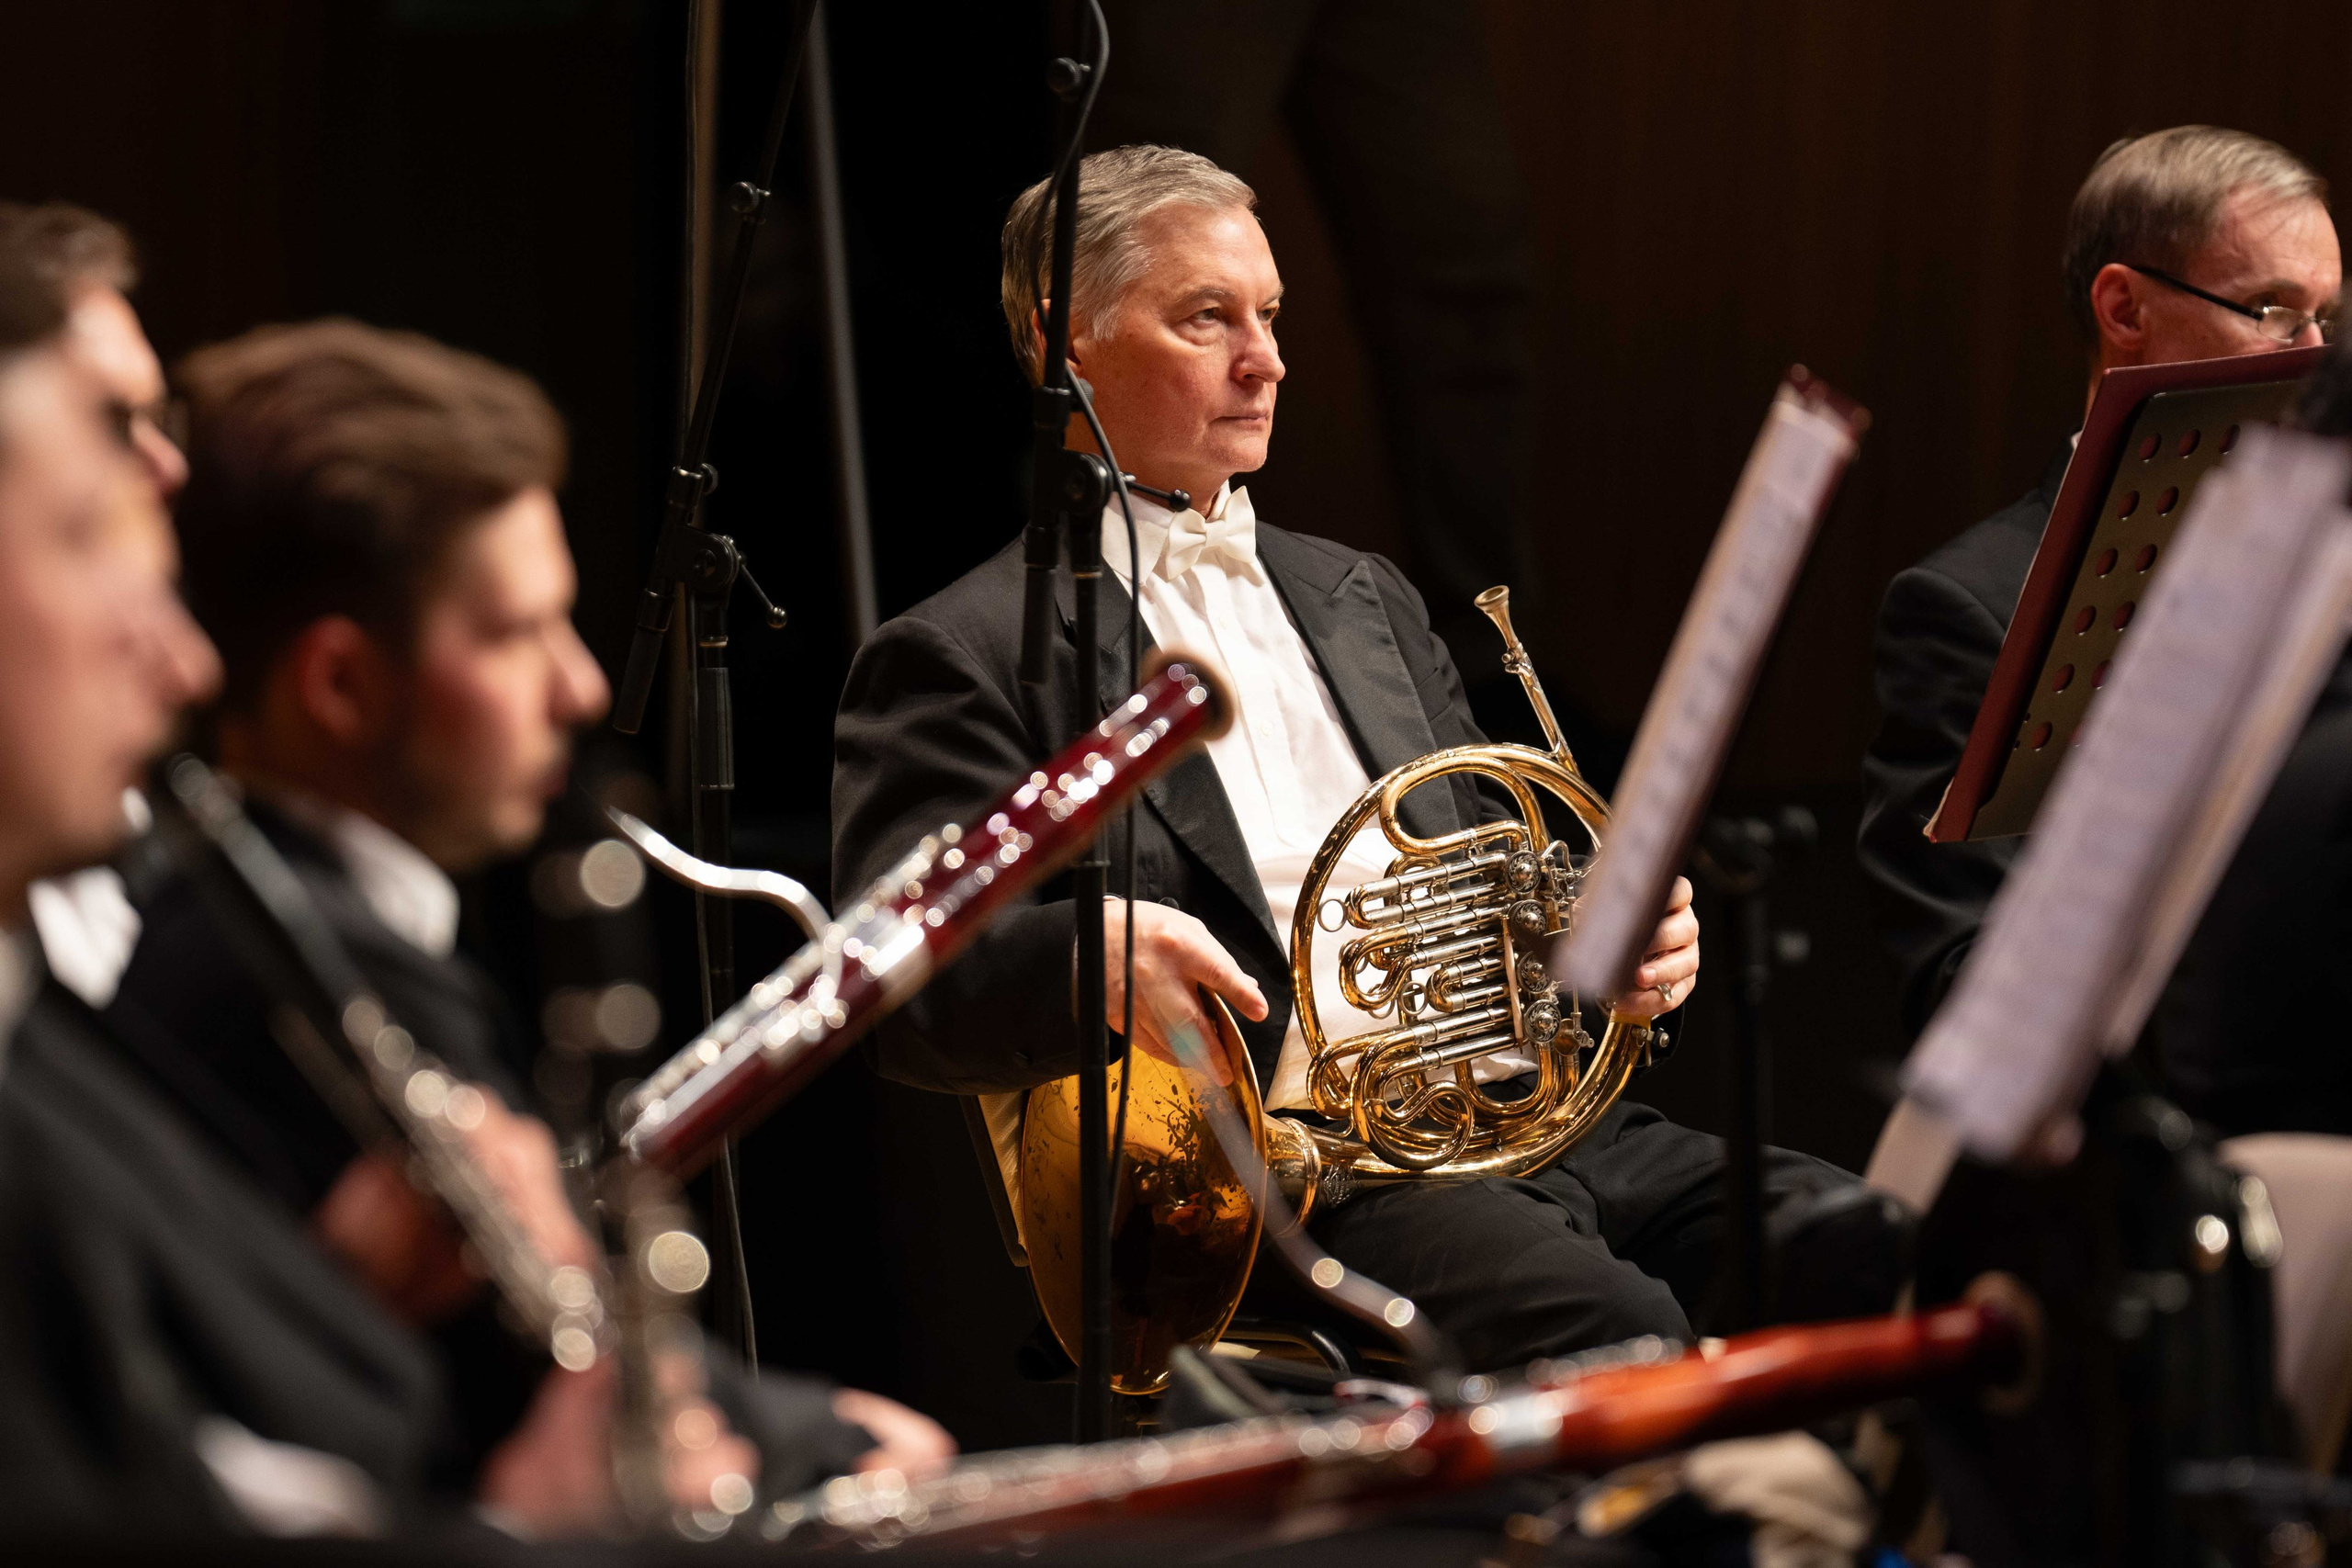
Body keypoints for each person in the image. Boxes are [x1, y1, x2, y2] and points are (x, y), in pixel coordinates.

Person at [834, 145, 1883, 1372]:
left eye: (1269, 313)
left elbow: (1490, 889)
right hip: (1303, 1175)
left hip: (1525, 1125)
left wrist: (1605, 944)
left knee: (1876, 1249)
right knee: (1625, 1344)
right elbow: (890, 985)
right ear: (1066, 343)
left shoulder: (1362, 596)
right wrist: (1090, 958)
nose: (1266, 359)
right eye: (1207, 317)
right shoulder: (961, 653)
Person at [95, 315, 950, 1521]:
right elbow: (527, 1394)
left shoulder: (307, 919)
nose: (582, 685)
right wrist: (814, 1438)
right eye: (513, 633)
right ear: (339, 684)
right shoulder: (290, 966)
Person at [1860, 126, 2349, 1135]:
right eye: (2272, 312)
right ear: (2124, 307)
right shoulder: (1967, 607)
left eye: (2327, 322)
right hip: (2161, 1145)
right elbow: (1958, 978)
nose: (2312, 360)